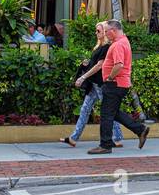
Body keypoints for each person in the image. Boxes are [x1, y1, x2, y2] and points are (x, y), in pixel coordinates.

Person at [90, 19, 150, 154]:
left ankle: (105, 145)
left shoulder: (118, 45)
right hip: (119, 84)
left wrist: (110, 78)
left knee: (106, 114)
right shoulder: (123, 41)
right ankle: (140, 130)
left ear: (113, 31)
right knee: (114, 113)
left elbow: (119, 65)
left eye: (106, 31)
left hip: (114, 84)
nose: (105, 34)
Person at [62, 22, 123, 148]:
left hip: (100, 83)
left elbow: (100, 65)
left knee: (109, 111)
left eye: (99, 31)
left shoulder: (106, 47)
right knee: (85, 109)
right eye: (96, 31)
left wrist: (83, 76)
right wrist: (87, 63)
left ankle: (117, 138)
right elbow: (95, 63)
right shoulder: (99, 46)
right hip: (94, 84)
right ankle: (73, 138)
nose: (96, 33)